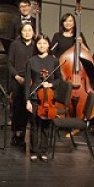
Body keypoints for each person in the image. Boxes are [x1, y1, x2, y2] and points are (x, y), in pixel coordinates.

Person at [25, 34, 59, 162]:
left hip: (48, 96)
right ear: (36, 45)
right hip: (34, 96)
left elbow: (59, 79)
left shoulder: (54, 61)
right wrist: (27, 100)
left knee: (45, 125)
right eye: (39, 43)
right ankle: (33, 151)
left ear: (48, 45)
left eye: (44, 43)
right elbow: (27, 82)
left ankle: (43, 151)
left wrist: (51, 84)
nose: (42, 46)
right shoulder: (31, 61)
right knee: (34, 125)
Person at [7, 22, 37, 147]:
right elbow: (9, 63)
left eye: (30, 30)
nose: (27, 33)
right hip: (17, 79)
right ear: (20, 32)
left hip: (31, 80)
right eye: (25, 30)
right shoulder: (15, 44)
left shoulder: (36, 46)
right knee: (17, 107)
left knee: (27, 107)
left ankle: (24, 134)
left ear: (33, 32)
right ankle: (15, 134)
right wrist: (16, 76)